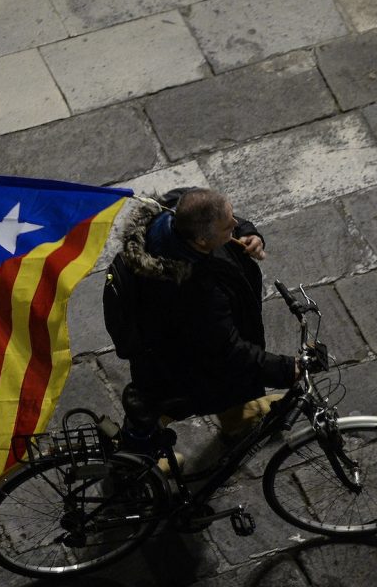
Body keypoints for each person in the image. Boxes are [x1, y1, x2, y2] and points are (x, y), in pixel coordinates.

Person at [113, 187, 298, 455]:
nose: (233, 225)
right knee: (170, 399)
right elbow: (228, 349)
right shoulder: (192, 291)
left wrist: (248, 231)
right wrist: (285, 369)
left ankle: (237, 417)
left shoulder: (177, 212)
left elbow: (209, 208)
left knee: (227, 382)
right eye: (228, 227)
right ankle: (138, 460)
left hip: (192, 341)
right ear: (201, 241)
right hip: (180, 357)